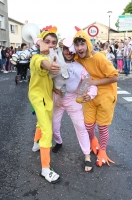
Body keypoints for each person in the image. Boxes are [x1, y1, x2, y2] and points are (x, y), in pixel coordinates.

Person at [73, 26, 119, 167]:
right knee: (88, 126)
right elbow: (66, 56)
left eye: (82, 44)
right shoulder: (78, 58)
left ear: (88, 43)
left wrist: (94, 82)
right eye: (77, 44)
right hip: (90, 96)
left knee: (103, 127)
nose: (80, 48)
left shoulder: (99, 57)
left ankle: (103, 151)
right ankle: (93, 141)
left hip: (105, 96)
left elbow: (115, 77)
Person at [50, 38, 97, 172]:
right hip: (57, 99)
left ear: (74, 50)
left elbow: (90, 83)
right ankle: (58, 142)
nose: (68, 52)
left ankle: (87, 156)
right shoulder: (55, 62)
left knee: (80, 126)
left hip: (72, 99)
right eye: (65, 48)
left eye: (70, 49)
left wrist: (90, 94)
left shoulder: (80, 67)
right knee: (54, 126)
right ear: (62, 49)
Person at [29, 26, 61, 183]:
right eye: (47, 41)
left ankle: (35, 144)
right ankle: (45, 169)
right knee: (47, 131)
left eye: (53, 42)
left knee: (41, 123)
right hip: (38, 98)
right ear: (41, 43)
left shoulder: (53, 57)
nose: (50, 45)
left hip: (47, 97)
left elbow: (47, 78)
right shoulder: (36, 58)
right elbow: (42, 64)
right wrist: (50, 66)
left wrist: (55, 88)